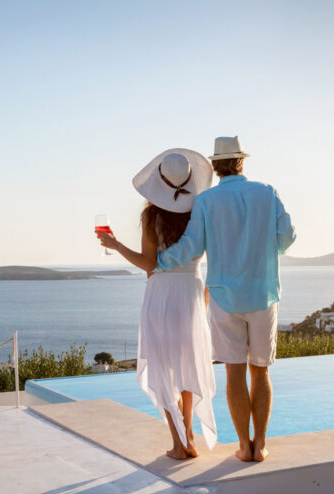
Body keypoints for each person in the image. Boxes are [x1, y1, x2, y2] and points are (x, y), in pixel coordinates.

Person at [157, 136, 296, 462]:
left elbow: (191, 248)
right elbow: (287, 236)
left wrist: (158, 263)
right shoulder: (266, 192)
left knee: (234, 372)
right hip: (263, 294)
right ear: (241, 162)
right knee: (260, 371)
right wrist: (265, 252)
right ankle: (260, 445)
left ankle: (243, 446)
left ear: (216, 166)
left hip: (223, 297)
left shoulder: (207, 201)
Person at [96, 148, 217, 459]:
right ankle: (188, 436)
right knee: (188, 366)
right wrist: (204, 299)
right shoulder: (202, 211)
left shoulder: (151, 215)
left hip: (162, 294)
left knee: (163, 368)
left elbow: (149, 265)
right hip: (192, 292)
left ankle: (179, 443)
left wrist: (115, 245)